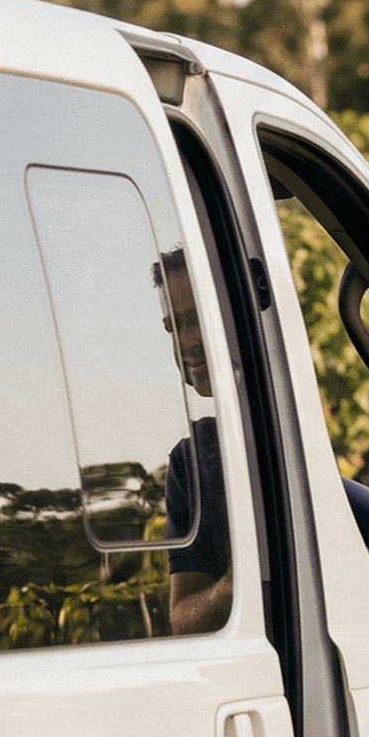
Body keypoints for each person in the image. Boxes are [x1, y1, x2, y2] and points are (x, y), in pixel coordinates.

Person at [155, 249, 232, 636]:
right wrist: (231, 588)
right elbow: (181, 618)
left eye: (198, 318)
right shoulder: (191, 461)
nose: (188, 341)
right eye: (174, 326)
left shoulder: (292, 431)